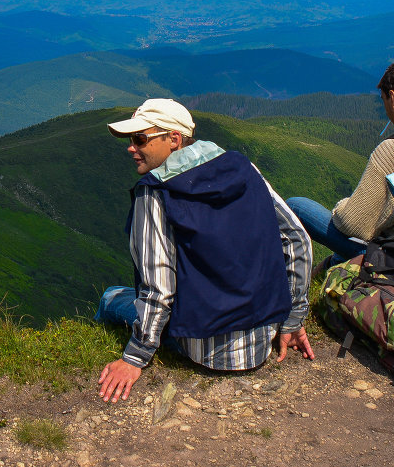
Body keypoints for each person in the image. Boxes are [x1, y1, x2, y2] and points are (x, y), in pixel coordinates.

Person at [95, 98, 315, 404]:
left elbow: (158, 288)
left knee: (111, 298)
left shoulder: (154, 192)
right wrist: (292, 319)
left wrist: (134, 358)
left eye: (139, 139)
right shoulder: (244, 168)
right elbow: (298, 240)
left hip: (204, 349)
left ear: (173, 139)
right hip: (263, 339)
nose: (130, 148)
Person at [287, 60, 394, 260]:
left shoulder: (393, 148)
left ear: (393, 97)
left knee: (295, 206)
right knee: (336, 257)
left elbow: (352, 223)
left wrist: (341, 206)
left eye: (383, 100)